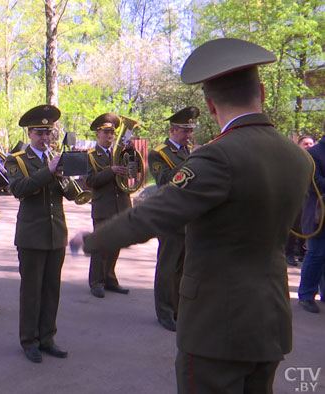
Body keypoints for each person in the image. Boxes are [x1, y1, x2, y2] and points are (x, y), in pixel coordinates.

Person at [82, 38, 311, 393]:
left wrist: (93, 240)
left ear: (209, 103)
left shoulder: (218, 156)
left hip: (217, 325)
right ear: (263, 92)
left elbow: (154, 215)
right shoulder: (298, 157)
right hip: (272, 319)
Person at [5, 104, 76, 364]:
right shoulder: (17, 160)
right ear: (29, 134)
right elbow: (19, 189)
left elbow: (70, 194)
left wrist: (71, 177)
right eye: (39, 133)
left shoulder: (56, 158)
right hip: (31, 235)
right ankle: (29, 341)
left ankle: (47, 338)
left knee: (51, 289)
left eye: (48, 133)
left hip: (56, 232)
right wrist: (49, 172)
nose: (45, 138)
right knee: (32, 290)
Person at [146, 106, 199, 332]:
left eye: (190, 130)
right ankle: (164, 312)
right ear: (173, 129)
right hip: (169, 215)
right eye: (185, 131)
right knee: (167, 266)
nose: (189, 135)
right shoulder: (160, 153)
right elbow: (166, 180)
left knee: (183, 266)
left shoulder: (187, 151)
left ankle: (178, 309)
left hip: (188, 216)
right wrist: (193, 161)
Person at [84, 113, 131, 298]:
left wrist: (129, 169)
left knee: (115, 245)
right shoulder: (90, 156)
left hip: (121, 205)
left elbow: (128, 177)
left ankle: (110, 279)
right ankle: (96, 281)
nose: (109, 136)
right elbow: (89, 181)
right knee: (101, 245)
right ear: (97, 134)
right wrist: (110, 171)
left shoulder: (120, 153)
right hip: (103, 206)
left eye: (112, 133)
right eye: (105, 133)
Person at [298, 127, 325, 314]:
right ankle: (307, 295)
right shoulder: (313, 154)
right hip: (317, 215)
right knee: (316, 254)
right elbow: (315, 183)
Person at [285, 135, 315, 267]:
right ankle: (289, 253)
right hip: (295, 196)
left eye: (311, 144)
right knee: (294, 225)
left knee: (306, 226)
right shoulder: (293, 159)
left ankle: (302, 253)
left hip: (311, 198)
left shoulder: (315, 160)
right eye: (306, 144)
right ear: (299, 146)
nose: (309, 146)